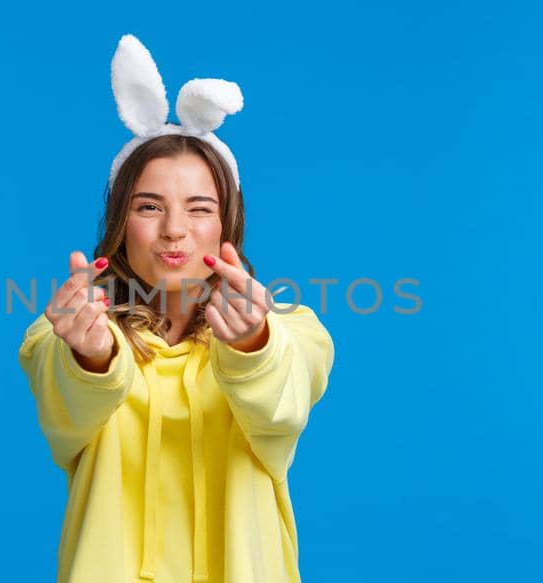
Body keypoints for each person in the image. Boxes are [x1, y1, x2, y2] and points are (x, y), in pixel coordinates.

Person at [18, 35, 335, 583]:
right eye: (149, 207)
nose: (174, 230)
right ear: (121, 221)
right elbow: (63, 414)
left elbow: (282, 408)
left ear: (225, 224)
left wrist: (251, 346)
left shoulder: (293, 332)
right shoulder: (63, 332)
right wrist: (91, 358)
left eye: (199, 208)